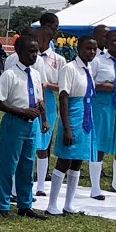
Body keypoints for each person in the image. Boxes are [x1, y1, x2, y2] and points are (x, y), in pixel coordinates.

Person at [0, 31, 48, 219]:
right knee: (8, 164)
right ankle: (2, 205)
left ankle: (25, 203)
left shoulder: (36, 74)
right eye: (31, 51)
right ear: (19, 51)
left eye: (37, 52)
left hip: (32, 124)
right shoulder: (10, 74)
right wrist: (22, 111)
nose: (34, 55)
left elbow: (39, 98)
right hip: (15, 123)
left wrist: (42, 115)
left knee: (27, 165)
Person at [48, 35, 98, 216]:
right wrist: (67, 127)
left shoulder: (89, 69)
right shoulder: (69, 68)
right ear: (78, 48)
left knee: (78, 160)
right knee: (65, 159)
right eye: (87, 48)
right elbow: (64, 96)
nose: (91, 52)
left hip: (86, 115)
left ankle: (69, 203)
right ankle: (52, 203)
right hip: (74, 115)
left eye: (94, 49)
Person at [90, 31, 116, 200]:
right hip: (102, 103)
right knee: (99, 143)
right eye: (114, 40)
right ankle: (95, 187)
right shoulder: (97, 61)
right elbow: (88, 82)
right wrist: (102, 86)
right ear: (106, 42)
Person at [31, 13, 64, 198]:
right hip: (30, 98)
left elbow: (63, 86)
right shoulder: (30, 54)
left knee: (44, 143)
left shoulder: (57, 59)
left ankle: (42, 183)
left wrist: (47, 85)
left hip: (48, 99)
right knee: (31, 141)